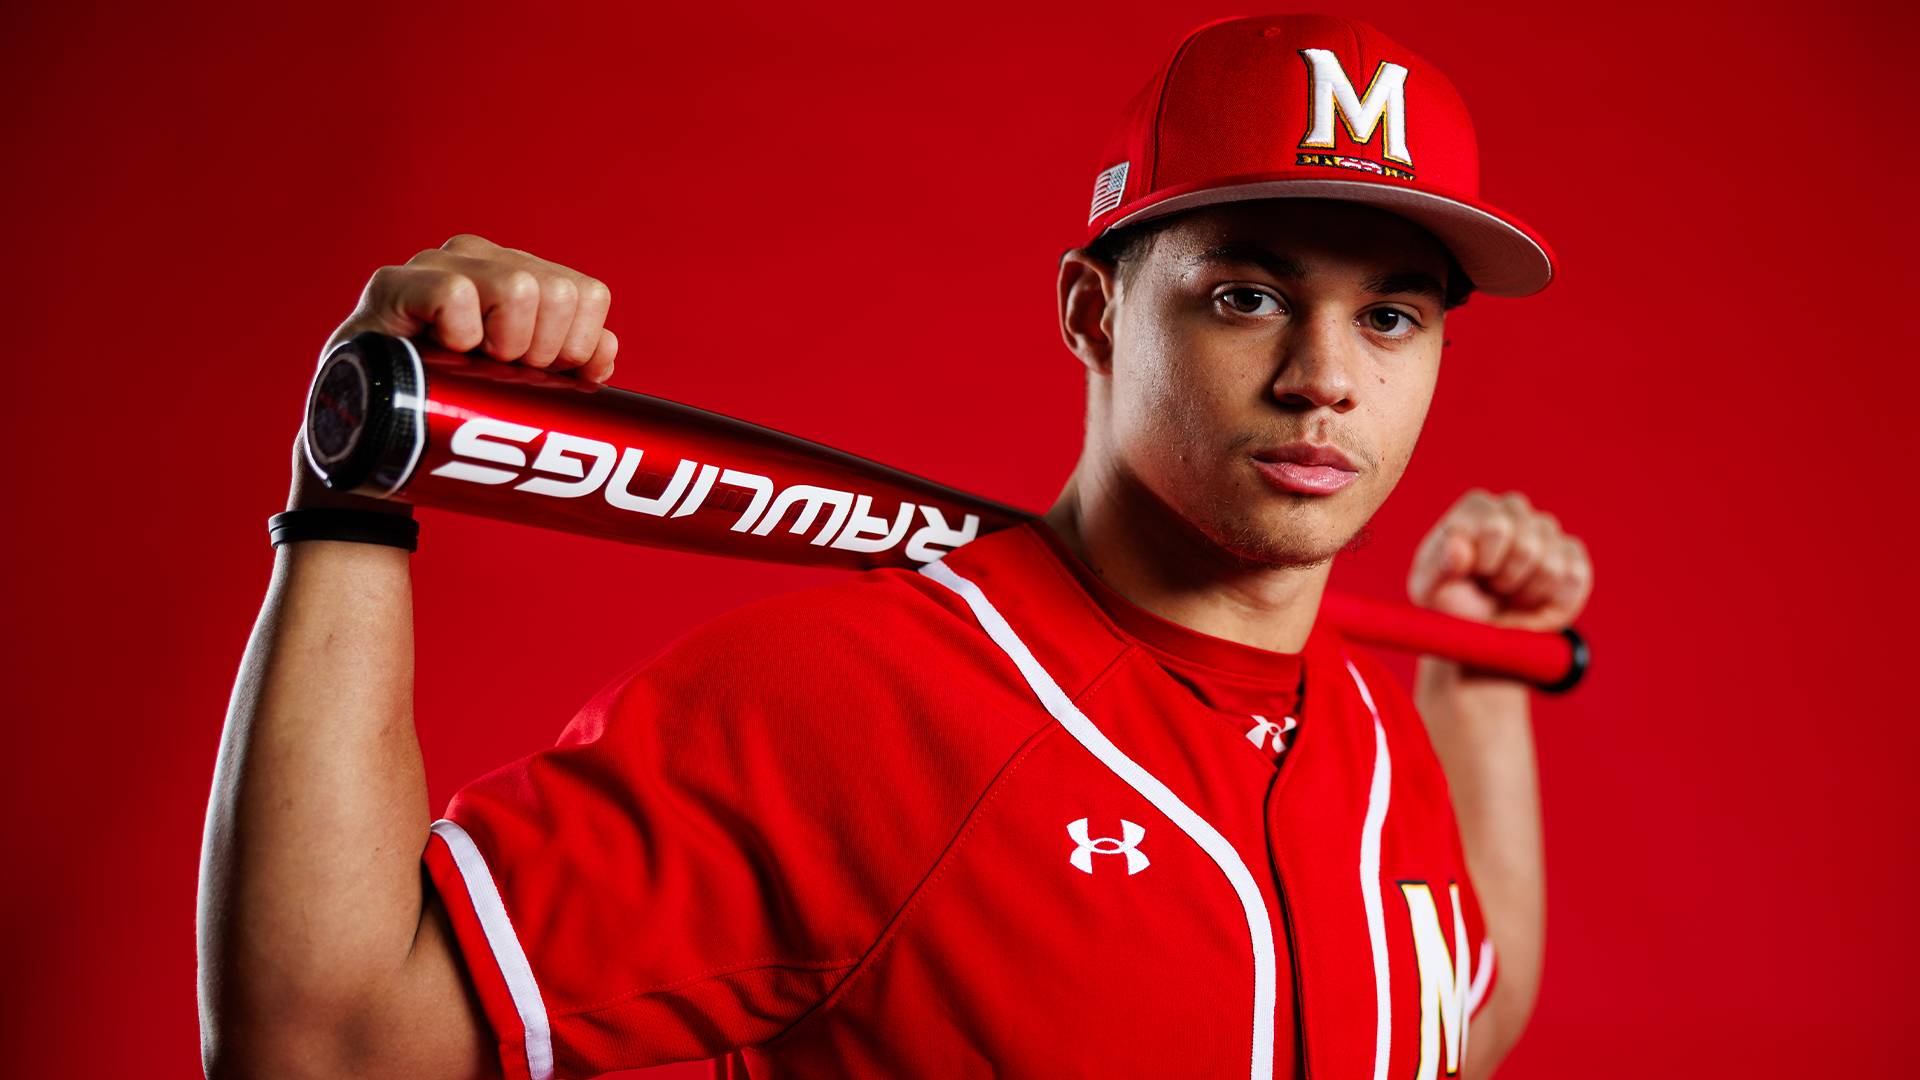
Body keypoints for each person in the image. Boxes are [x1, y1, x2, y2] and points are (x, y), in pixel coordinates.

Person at [199, 14, 1592, 1080]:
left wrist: (1476, 706)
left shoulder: (1365, 728)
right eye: (1245, 294)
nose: (1325, 377)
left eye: (1392, 317)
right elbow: (321, 1042)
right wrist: (352, 498)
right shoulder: (853, 703)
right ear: (1094, 312)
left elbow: (1450, 1023)